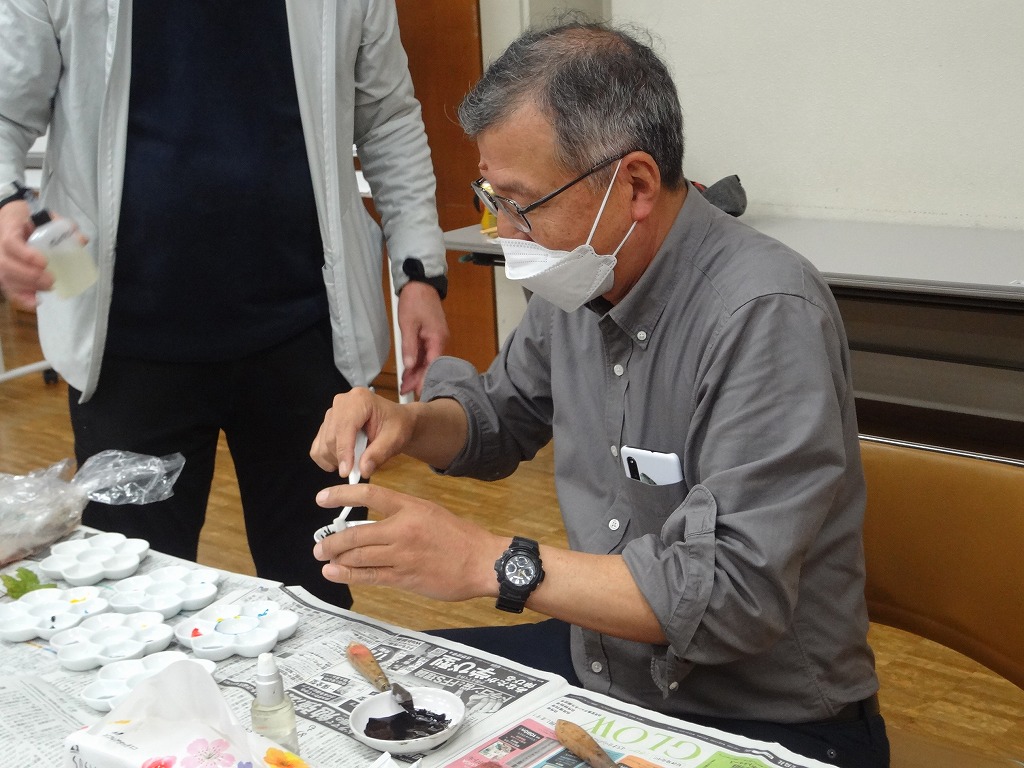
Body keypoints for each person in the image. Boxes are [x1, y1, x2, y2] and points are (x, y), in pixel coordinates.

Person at [308, 19, 889, 768]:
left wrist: (487, 561)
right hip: (609, 666)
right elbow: (499, 417)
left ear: (636, 185)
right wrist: (408, 422)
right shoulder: (585, 277)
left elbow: (732, 597)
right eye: (492, 198)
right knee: (368, 720)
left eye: (522, 204)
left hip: (758, 713)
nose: (505, 232)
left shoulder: (765, 313)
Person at [0, 1, 449, 608]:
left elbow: (388, 119)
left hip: (309, 340)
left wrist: (419, 270)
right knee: (132, 597)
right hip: (124, 348)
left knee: (316, 585)